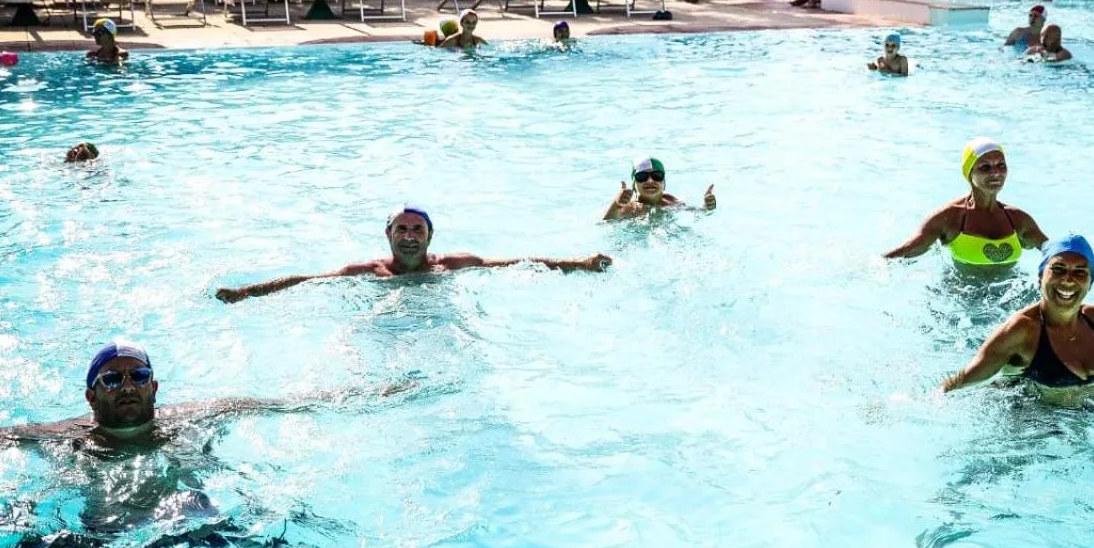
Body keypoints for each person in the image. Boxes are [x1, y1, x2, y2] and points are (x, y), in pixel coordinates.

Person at [0, 341, 416, 462]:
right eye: (112, 380)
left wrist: (388, 392)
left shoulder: (197, 416)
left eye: (137, 376)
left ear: (154, 387)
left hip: (193, 529)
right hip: (98, 537)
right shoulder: (61, 435)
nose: (126, 386)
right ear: (90, 395)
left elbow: (292, 404)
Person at [215, 206, 612, 303]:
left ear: (429, 237)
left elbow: (518, 263)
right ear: (388, 235)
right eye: (401, 229)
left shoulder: (451, 265)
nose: (409, 236)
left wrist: (579, 264)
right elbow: (306, 280)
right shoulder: (369, 271)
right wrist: (247, 292)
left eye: (417, 230)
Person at [941, 235, 1094, 391]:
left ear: (1090, 282)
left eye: (1080, 272)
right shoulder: (1022, 330)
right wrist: (933, 397)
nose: (1068, 280)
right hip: (1038, 426)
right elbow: (968, 377)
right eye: (1058, 269)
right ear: (1040, 277)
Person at [885, 138, 1048, 267]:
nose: (996, 173)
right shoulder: (949, 218)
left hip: (1009, 298)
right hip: (961, 301)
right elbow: (908, 251)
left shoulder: (1018, 219)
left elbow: (1053, 252)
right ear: (969, 173)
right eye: (985, 167)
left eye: (1001, 165)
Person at [604, 158, 717, 220]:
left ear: (664, 182)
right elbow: (607, 224)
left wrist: (707, 207)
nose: (650, 181)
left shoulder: (670, 200)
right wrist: (616, 205)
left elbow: (697, 212)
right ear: (634, 184)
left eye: (657, 176)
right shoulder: (631, 208)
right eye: (642, 176)